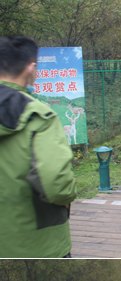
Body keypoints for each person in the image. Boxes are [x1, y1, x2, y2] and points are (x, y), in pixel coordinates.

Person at [0, 35, 77, 258]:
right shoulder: (39, 117)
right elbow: (57, 184)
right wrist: (66, 197)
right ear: (31, 68)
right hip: (37, 244)